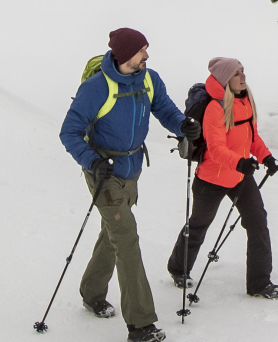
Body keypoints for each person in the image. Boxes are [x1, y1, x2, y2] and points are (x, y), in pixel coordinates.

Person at [61, 27, 193, 342]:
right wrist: (92, 161)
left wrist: (183, 125)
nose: (147, 55)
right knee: (126, 238)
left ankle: (91, 292)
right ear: (124, 55)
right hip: (102, 173)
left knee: (113, 235)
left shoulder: (149, 80)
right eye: (141, 50)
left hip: (131, 169)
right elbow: (69, 132)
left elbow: (165, 109)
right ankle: (140, 325)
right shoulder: (96, 88)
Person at [166, 56, 278, 299]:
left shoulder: (245, 101)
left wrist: (266, 157)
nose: (243, 76)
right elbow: (216, 149)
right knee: (199, 225)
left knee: (257, 222)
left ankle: (260, 283)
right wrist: (240, 162)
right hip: (212, 178)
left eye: (243, 71)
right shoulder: (214, 108)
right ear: (225, 79)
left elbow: (252, 138)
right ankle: (178, 269)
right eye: (236, 73)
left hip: (240, 175)